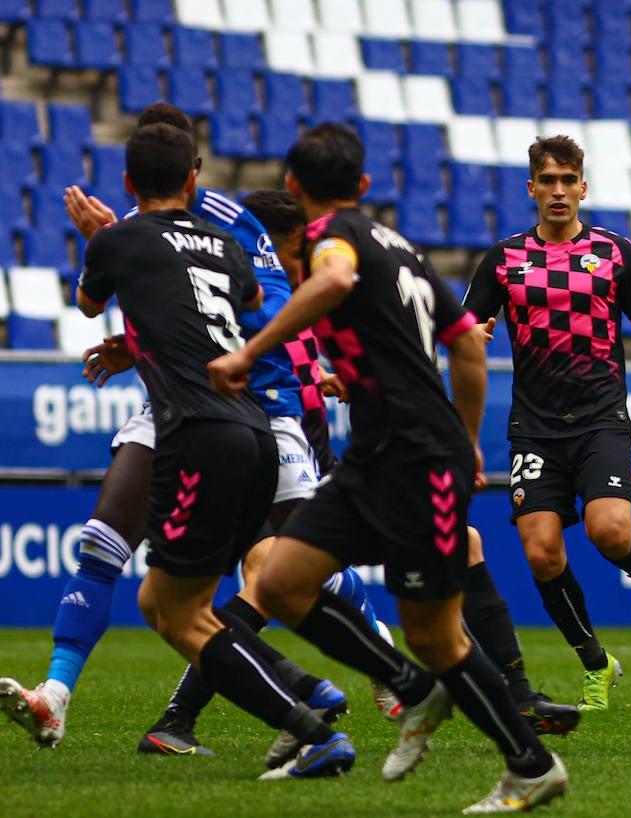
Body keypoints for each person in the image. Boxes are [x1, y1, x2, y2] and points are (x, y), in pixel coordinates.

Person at [207, 122, 567, 809]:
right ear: (364, 184)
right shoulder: (401, 247)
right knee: (281, 581)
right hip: (378, 458)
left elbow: (335, 276)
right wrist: (468, 438)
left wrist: (250, 353)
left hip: (416, 459)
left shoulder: (328, 240)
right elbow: (468, 348)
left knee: (435, 634)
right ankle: (410, 687)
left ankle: (530, 764)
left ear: (294, 187)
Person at [0, 104, 349, 759]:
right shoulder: (153, 227)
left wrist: (110, 245)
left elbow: (258, 305)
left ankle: (362, 682)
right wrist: (136, 340)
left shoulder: (224, 222)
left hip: (251, 404)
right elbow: (192, 303)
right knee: (111, 548)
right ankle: (58, 696)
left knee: (279, 573)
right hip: (180, 408)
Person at [463, 135, 631, 711]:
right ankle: (595, 664)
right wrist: (471, 335)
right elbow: (462, 331)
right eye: (547, 181)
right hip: (533, 427)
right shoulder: (504, 258)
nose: (558, 191)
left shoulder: (614, 253)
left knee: (609, 530)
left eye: (568, 180)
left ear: (583, 188)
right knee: (542, 553)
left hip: (600, 418)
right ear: (531, 188)